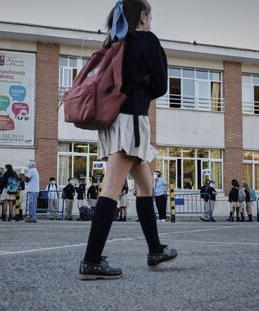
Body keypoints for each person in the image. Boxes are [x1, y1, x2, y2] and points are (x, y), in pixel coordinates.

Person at [79, 0, 177, 281]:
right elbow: (160, 85)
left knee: (146, 185)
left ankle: (155, 249)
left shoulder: (114, 44)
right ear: (144, 16)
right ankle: (91, 260)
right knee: (111, 188)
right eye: (150, 17)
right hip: (130, 122)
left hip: (113, 121)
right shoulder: (146, 40)